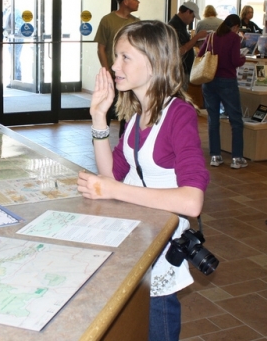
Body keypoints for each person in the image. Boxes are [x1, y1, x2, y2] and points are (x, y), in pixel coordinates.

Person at [77, 21, 208, 341]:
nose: (113, 65)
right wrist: (98, 118)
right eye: (115, 57)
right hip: (140, 242)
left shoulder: (178, 115)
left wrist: (112, 189)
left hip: (161, 251)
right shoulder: (137, 115)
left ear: (154, 62)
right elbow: (112, 175)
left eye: (125, 57)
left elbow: (192, 201)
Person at [199, 14, 248, 169]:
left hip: (209, 81)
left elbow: (200, 54)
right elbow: (235, 61)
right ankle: (237, 158)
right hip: (227, 81)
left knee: (213, 119)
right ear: (235, 27)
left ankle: (215, 156)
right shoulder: (234, 38)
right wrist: (243, 58)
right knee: (236, 120)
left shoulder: (212, 36)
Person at [94, 0, 142, 127]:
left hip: (130, 73)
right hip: (113, 72)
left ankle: (125, 139)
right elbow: (101, 48)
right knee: (107, 106)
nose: (138, 2)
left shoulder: (136, 22)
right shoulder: (107, 20)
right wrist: (107, 70)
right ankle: (100, 134)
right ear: (126, 2)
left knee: (128, 108)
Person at [167, 1, 207, 78]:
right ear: (188, 12)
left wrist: (196, 43)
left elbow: (184, 44)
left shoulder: (181, 25)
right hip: (180, 72)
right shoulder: (175, 26)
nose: (192, 20)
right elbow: (181, 50)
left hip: (183, 70)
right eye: (193, 17)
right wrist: (197, 37)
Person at [3, 0, 23, 83]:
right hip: (11, 37)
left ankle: (15, 78)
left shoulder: (16, 11)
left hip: (16, 38)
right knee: (14, 57)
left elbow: (20, 24)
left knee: (15, 57)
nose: (5, 3)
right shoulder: (7, 11)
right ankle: (16, 77)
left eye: (6, 1)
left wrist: (16, 35)